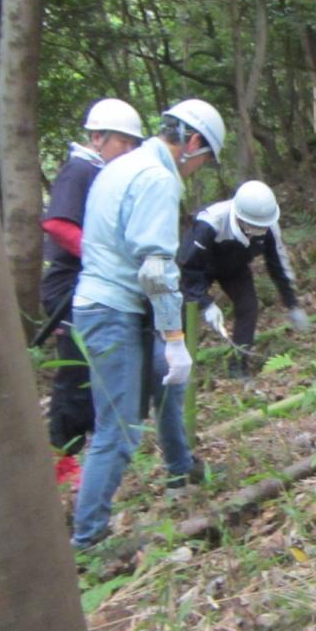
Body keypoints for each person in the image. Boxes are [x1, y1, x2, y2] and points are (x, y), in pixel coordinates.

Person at [70, 98, 226, 550]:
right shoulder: (158, 177)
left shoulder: (120, 165)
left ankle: (181, 467)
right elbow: (156, 269)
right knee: (119, 429)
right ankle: (89, 538)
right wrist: (175, 337)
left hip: (119, 306)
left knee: (168, 380)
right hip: (112, 311)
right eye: (206, 160)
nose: (200, 168)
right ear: (192, 143)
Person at [39, 98, 143, 486]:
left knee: (101, 370)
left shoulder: (108, 176)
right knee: (74, 375)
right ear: (98, 137)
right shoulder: (80, 170)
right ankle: (62, 461)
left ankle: (97, 450)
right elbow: (58, 226)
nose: (129, 150)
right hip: (70, 286)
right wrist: (104, 256)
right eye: (124, 141)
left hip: (98, 284)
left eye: (135, 143)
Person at [178, 180, 309, 375]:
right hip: (202, 267)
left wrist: (292, 304)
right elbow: (187, 266)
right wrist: (206, 303)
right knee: (182, 312)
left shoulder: (270, 226)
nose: (260, 231)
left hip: (236, 268)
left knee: (249, 307)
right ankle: (178, 365)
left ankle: (238, 365)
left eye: (263, 226)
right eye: (254, 226)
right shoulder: (210, 223)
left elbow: (277, 265)